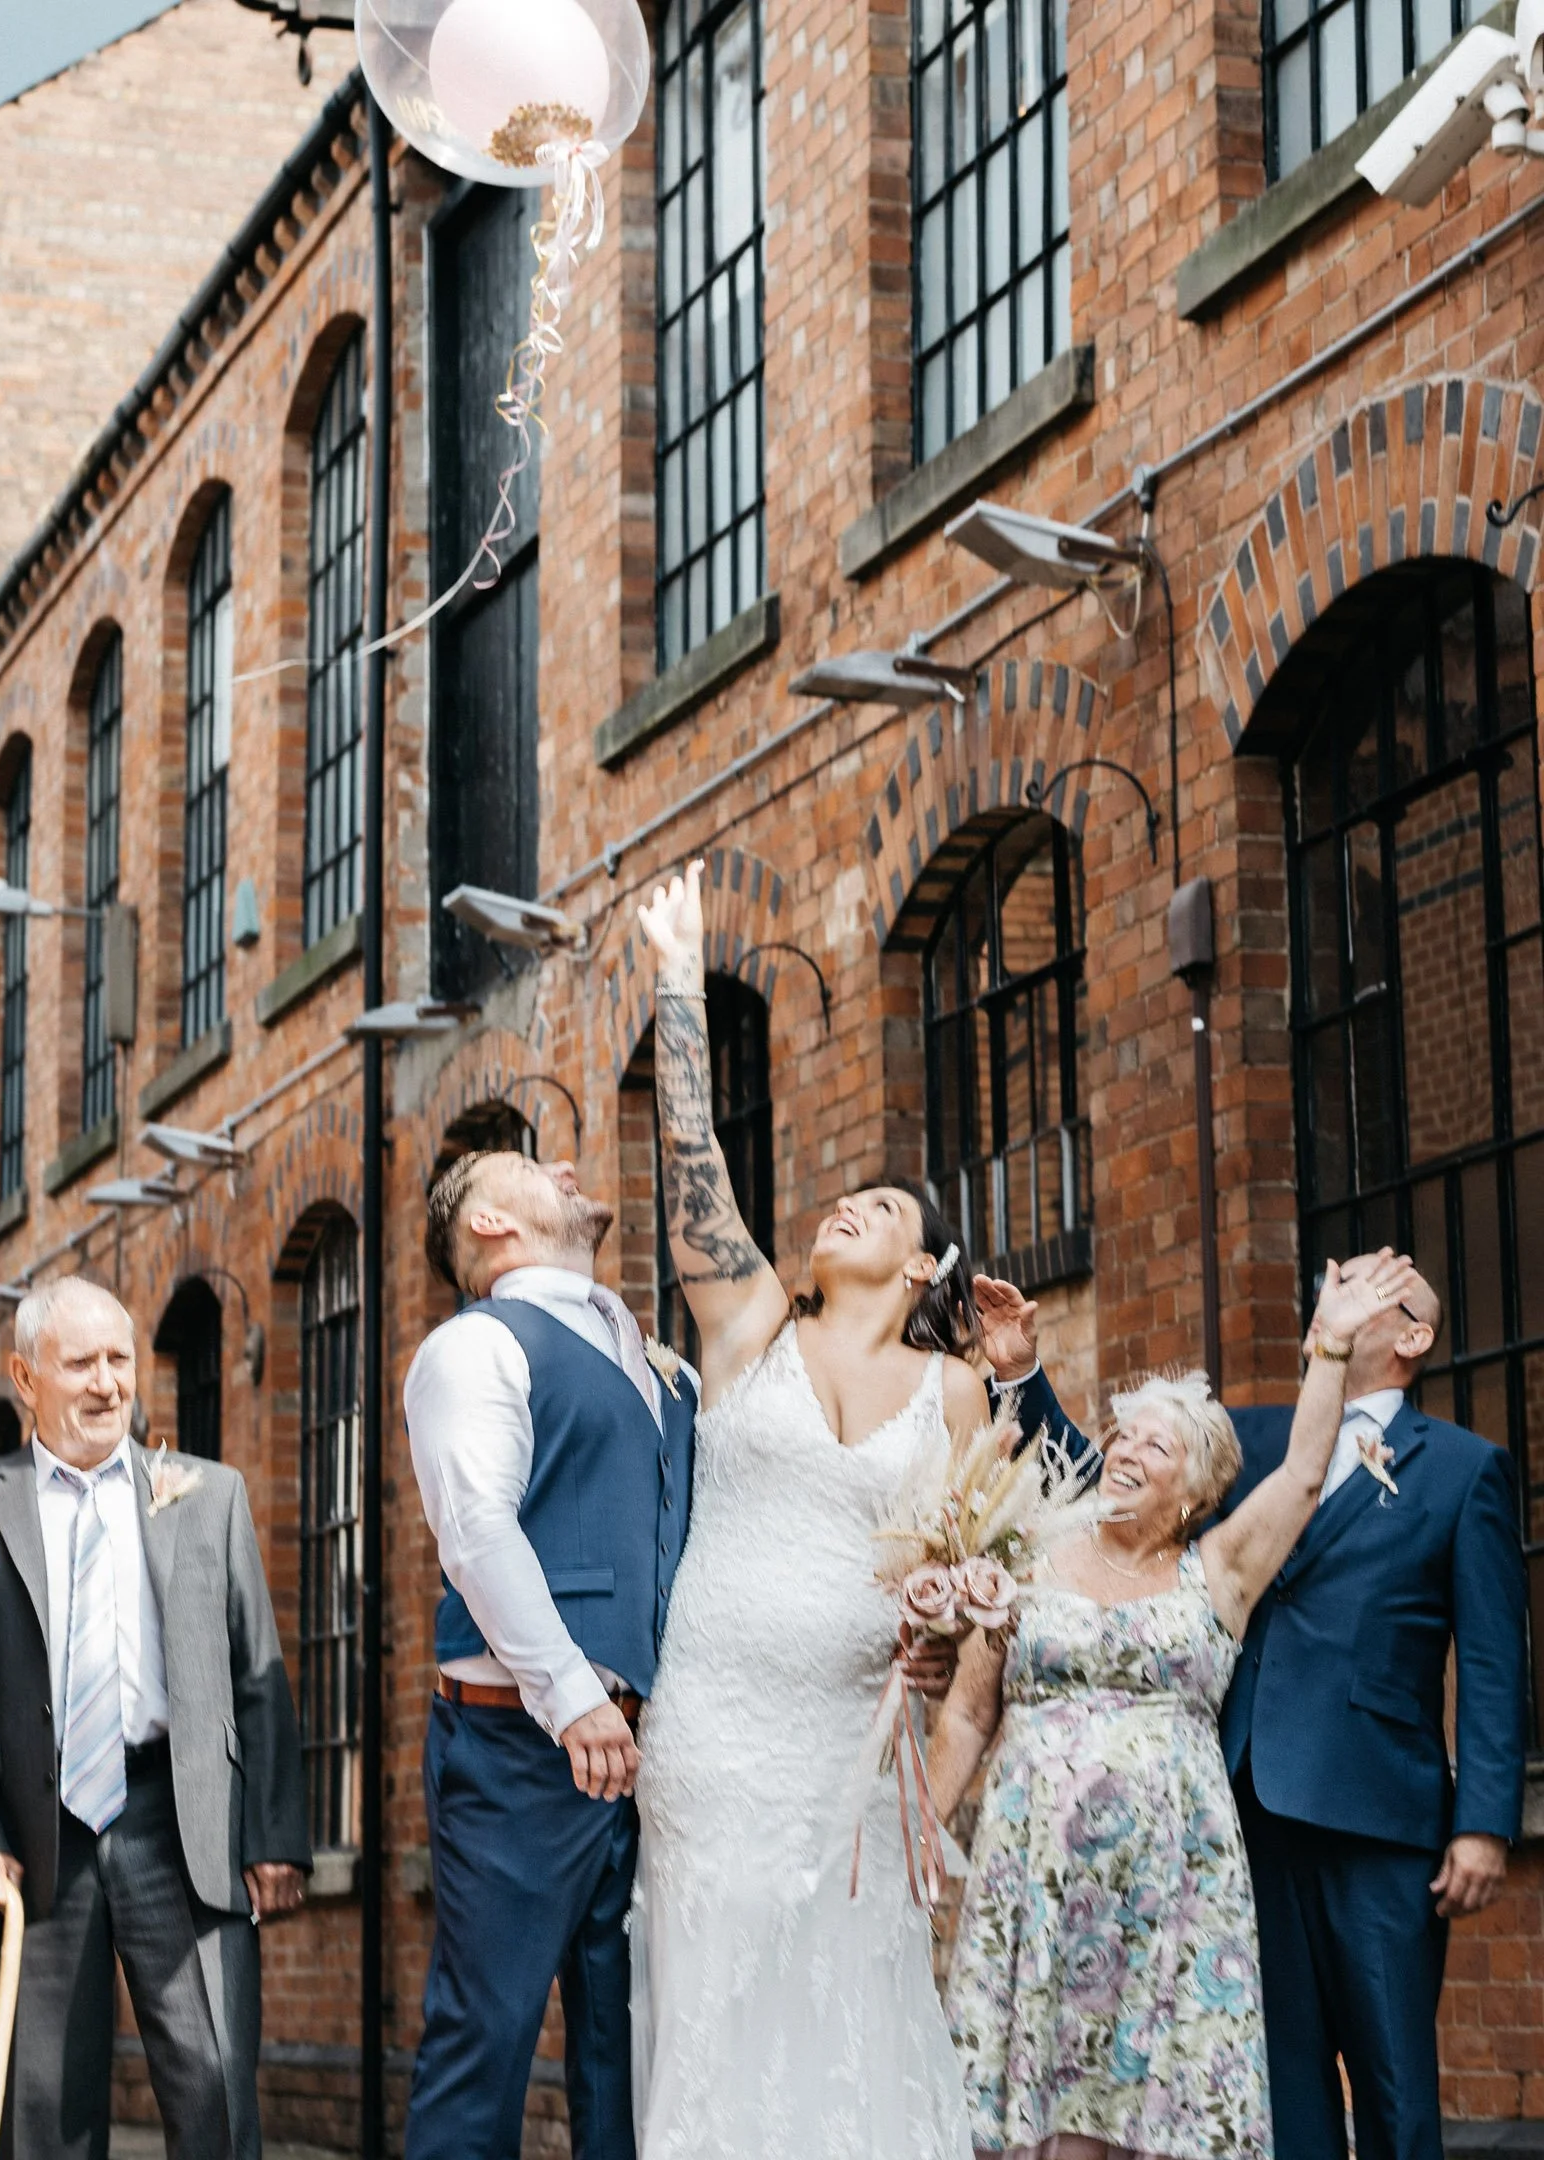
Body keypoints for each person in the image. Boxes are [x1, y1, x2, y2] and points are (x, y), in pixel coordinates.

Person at [983, 1261, 1529, 2160]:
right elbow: (1107, 1481)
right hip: (1244, 1816)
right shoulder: (1259, 1438)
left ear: (1414, 1335)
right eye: (1332, 1283)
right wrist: (1021, 1377)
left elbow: (1494, 1657)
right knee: (1282, 2091)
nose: (1332, 1295)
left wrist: (1484, 1823)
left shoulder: (1466, 1470)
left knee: (1395, 2087)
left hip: (1379, 1821)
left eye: (1364, 1290)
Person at [629, 859, 986, 2160]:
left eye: (879, 1207)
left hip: (852, 1752)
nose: (846, 1205)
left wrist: (942, 1638)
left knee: (852, 2018)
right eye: (842, 1200)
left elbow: (969, 1572)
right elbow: (695, 1179)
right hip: (716, 1736)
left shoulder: (956, 1394)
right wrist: (679, 985)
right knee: (718, 2021)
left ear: (923, 1264)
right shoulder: (751, 1327)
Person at [0, 1275, 310, 2160]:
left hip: (180, 1827)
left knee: (215, 2092)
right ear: (25, 1378)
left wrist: (275, 1834)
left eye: (119, 1360)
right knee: (41, 2115)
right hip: (35, 1839)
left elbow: (258, 1675)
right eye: (81, 1364)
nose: (107, 1384)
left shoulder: (208, 1495)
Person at [404, 1144, 699, 2160]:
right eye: (532, 1166)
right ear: (489, 1224)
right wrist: (573, 1697)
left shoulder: (641, 1352)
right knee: (484, 2046)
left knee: (623, 2055)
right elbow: (477, 1531)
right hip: (517, 1754)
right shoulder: (475, 1346)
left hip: (642, 1757)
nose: (567, 1166)